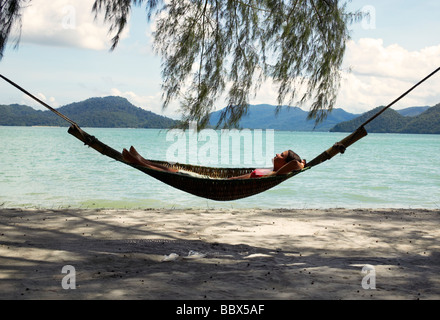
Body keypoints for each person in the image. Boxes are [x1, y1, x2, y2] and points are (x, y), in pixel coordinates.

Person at [122, 146, 306, 179]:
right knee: (173, 169)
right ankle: (142, 160)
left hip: (213, 184)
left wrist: (301, 164)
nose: (276, 154)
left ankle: (140, 162)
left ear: (285, 164)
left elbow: (295, 165)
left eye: (281, 155)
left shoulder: (276, 174)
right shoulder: (269, 170)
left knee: (174, 172)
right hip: (220, 181)